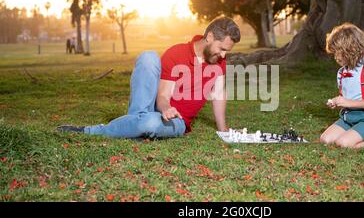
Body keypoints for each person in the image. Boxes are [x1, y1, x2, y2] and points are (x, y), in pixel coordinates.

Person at [58, 17, 241, 139]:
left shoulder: (218, 62)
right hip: (158, 107)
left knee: (150, 122)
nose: (224, 55)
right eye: (222, 48)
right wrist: (166, 108)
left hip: (177, 121)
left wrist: (223, 128)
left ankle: (132, 126)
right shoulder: (176, 53)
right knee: (148, 56)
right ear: (209, 37)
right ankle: (114, 128)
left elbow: (218, 94)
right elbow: (162, 96)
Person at [320, 23, 364, 148]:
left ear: (350, 50)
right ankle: (353, 133)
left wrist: (348, 102)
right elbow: (349, 96)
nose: (336, 57)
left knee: (343, 143)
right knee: (325, 139)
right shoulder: (341, 73)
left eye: (338, 53)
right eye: (334, 54)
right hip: (348, 118)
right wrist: (337, 102)